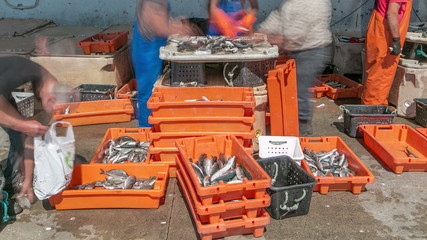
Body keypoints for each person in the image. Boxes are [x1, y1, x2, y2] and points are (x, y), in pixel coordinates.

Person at [258, 0, 332, 136]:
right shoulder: (290, 2)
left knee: (300, 91)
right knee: (291, 90)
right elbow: (279, 16)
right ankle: (291, 125)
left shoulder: (313, 3)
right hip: (297, 51)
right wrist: (262, 31)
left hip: (312, 51)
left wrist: (271, 39)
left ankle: (303, 131)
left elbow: (296, 35)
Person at [0, 56, 57, 214]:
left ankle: (14, 181)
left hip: (3, 95)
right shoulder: (20, 73)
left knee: (21, 134)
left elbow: (28, 139)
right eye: (53, 100)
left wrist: (28, 182)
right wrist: (22, 125)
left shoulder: (43, 78)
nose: (53, 105)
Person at [132, 0, 195, 127]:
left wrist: (174, 24)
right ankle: (147, 134)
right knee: (149, 94)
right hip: (147, 52)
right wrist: (179, 28)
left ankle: (157, 128)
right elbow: (158, 26)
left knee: (157, 92)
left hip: (154, 48)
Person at [362, 0, 413, 105]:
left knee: (375, 73)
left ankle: (375, 106)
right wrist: (396, 40)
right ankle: (373, 111)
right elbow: (391, 13)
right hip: (385, 36)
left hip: (379, 30)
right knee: (380, 76)